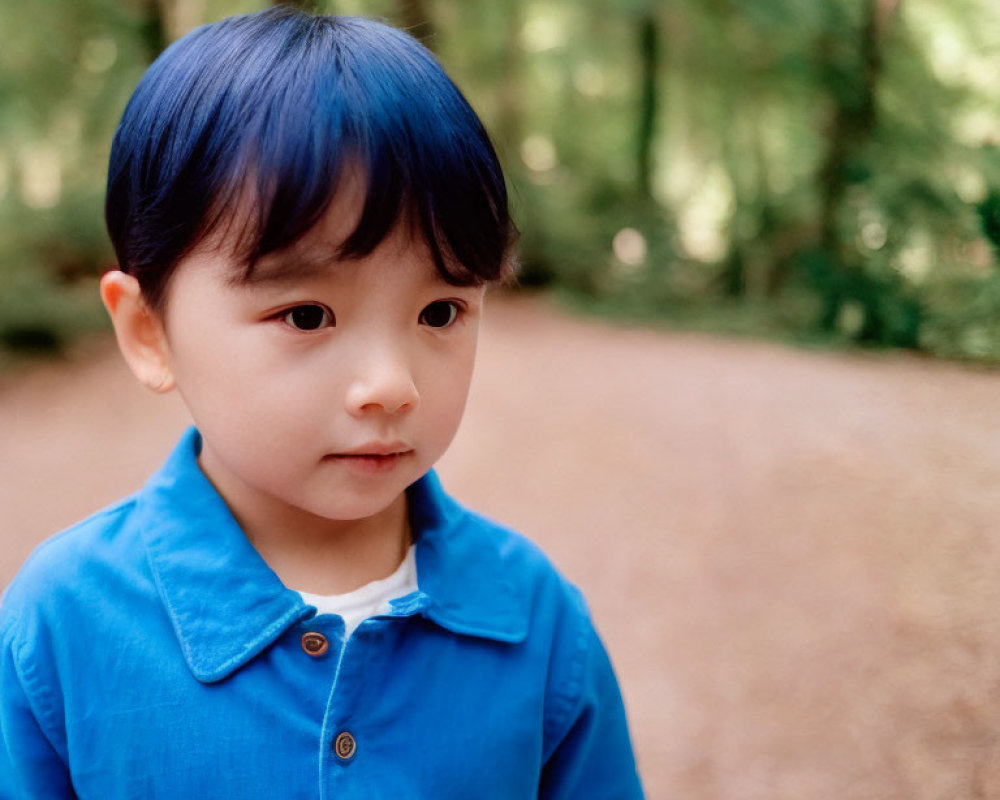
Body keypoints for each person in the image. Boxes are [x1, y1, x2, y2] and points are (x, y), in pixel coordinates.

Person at [0, 7, 643, 798]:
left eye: (439, 312)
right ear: (148, 332)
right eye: (306, 315)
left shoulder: (534, 624)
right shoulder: (65, 622)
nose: (391, 386)